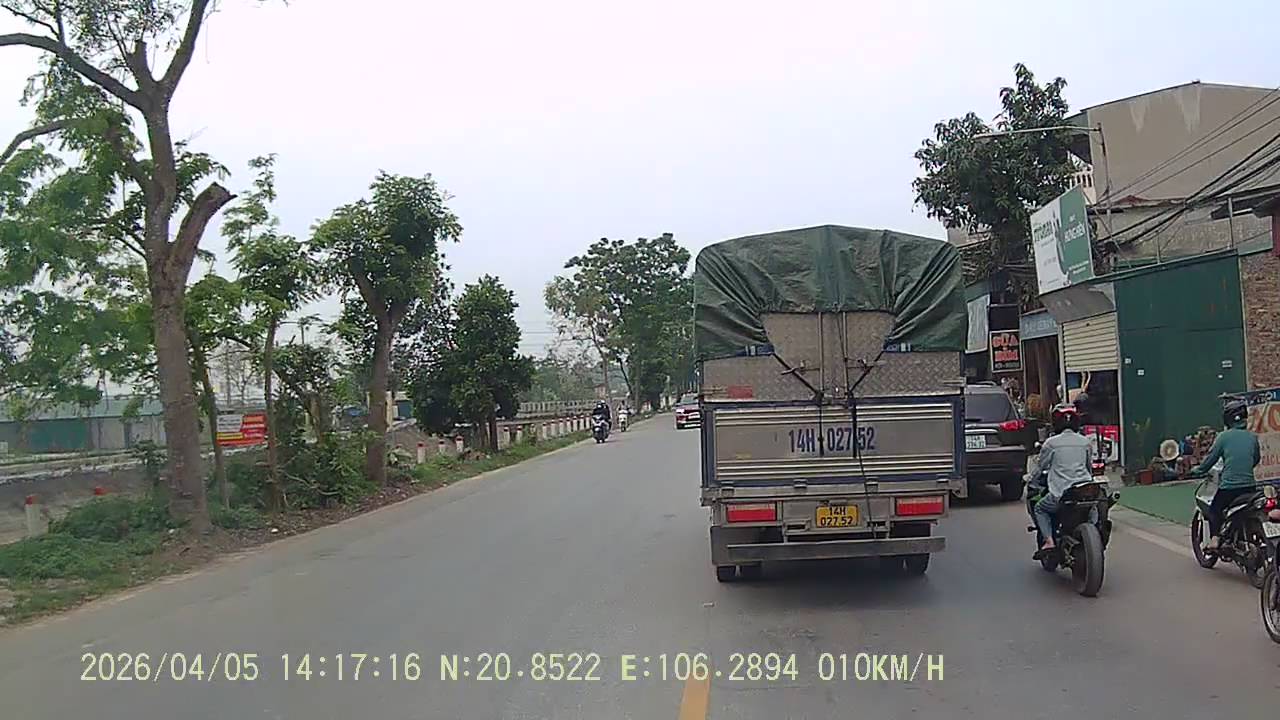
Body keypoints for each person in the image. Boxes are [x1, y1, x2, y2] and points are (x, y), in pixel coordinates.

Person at [1194, 399, 1261, 551]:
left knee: (1214, 510)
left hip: (1230, 488)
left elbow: (1210, 459)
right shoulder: (1252, 437)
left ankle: (1215, 539)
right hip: (1250, 487)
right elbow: (1256, 459)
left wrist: (1198, 470)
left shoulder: (1223, 437)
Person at [1030, 403, 1095, 558]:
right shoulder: (1085, 442)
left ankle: (1049, 541)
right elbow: (1088, 467)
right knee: (1093, 507)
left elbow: (1040, 468)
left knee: (1039, 508)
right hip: (1085, 489)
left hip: (1060, 493)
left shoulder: (1051, 443)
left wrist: (1030, 479)